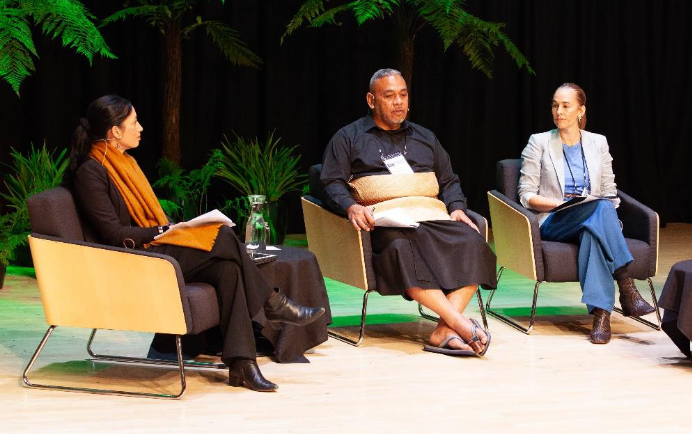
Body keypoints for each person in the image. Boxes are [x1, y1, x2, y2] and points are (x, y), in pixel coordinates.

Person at [67, 95, 325, 392]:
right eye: (133, 122)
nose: (140, 128)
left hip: (149, 249)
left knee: (228, 268)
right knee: (225, 235)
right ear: (115, 131)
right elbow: (113, 234)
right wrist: (163, 230)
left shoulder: (122, 163)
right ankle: (272, 302)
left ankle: (243, 364)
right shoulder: (92, 171)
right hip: (130, 260)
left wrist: (169, 229)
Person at [320, 69, 497, 357]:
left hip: (430, 216)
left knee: (474, 241)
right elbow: (330, 181)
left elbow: (449, 180)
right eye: (389, 96)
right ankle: (460, 325)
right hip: (387, 223)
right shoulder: (349, 137)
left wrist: (457, 208)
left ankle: (445, 329)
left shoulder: (425, 137)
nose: (398, 102)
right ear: (371, 100)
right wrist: (351, 206)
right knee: (401, 249)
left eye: (403, 95)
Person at [517, 83, 655, 344]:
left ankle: (602, 315)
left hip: (591, 216)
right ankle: (626, 285)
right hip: (554, 219)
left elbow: (608, 191)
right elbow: (526, 194)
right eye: (555, 105)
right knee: (599, 211)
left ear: (580, 111)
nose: (558, 111)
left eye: (565, 106)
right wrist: (559, 205)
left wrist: (602, 213)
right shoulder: (540, 142)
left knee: (594, 227)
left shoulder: (597, 143)